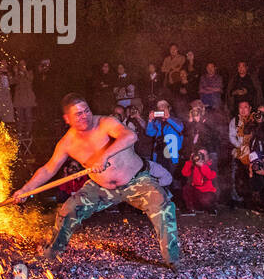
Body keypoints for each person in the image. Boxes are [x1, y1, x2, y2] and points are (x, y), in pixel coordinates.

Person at [12, 94, 179, 267]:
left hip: (136, 180)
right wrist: (25, 189)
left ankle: (172, 261)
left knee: (162, 205)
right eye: (78, 114)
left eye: (86, 111)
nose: (85, 116)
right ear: (67, 119)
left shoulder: (105, 123)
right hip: (101, 187)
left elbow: (130, 136)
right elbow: (48, 169)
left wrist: (104, 155)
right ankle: (51, 254)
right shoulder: (67, 143)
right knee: (69, 210)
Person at [181, 148, 219, 214]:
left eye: (203, 154)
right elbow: (185, 173)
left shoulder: (211, 165)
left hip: (208, 192)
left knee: (205, 199)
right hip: (197, 191)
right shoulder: (194, 165)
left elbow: (210, 176)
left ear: (207, 156)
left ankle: (211, 208)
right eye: (199, 154)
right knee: (186, 189)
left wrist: (202, 166)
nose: (201, 156)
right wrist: (190, 161)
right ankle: (191, 209)